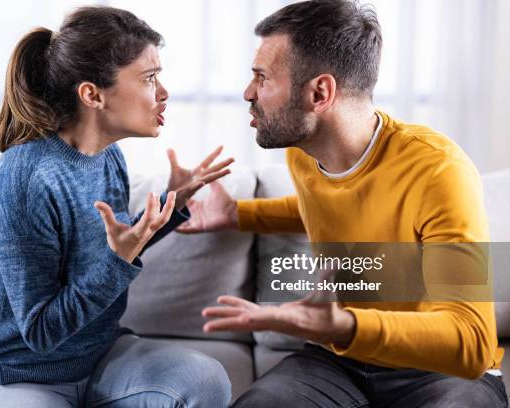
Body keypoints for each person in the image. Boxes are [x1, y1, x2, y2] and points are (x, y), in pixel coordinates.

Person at [178, 0, 508, 406]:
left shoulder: (437, 170)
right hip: (338, 361)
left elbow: (471, 341)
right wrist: (237, 215)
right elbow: (329, 206)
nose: (248, 93)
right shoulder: (303, 154)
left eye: (262, 78)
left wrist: (347, 324)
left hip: (436, 369)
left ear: (320, 92)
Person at [0, 6, 233, 408]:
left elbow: (112, 251)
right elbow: (40, 333)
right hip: (17, 375)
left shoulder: (108, 157)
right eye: (149, 78)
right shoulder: (24, 182)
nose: (163, 92)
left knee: (206, 381)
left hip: (99, 354)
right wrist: (119, 260)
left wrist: (175, 202)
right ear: (92, 94)